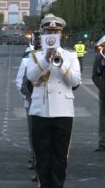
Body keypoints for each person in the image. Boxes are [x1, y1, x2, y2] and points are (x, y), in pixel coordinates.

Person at [26, 14, 81, 188]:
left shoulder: (70, 56)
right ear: (43, 34)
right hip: (40, 110)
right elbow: (32, 77)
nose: (52, 34)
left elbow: (75, 82)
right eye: (49, 31)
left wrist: (60, 62)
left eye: (55, 32)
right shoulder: (34, 56)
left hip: (63, 111)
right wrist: (46, 59)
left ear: (61, 34)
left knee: (60, 157)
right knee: (42, 156)